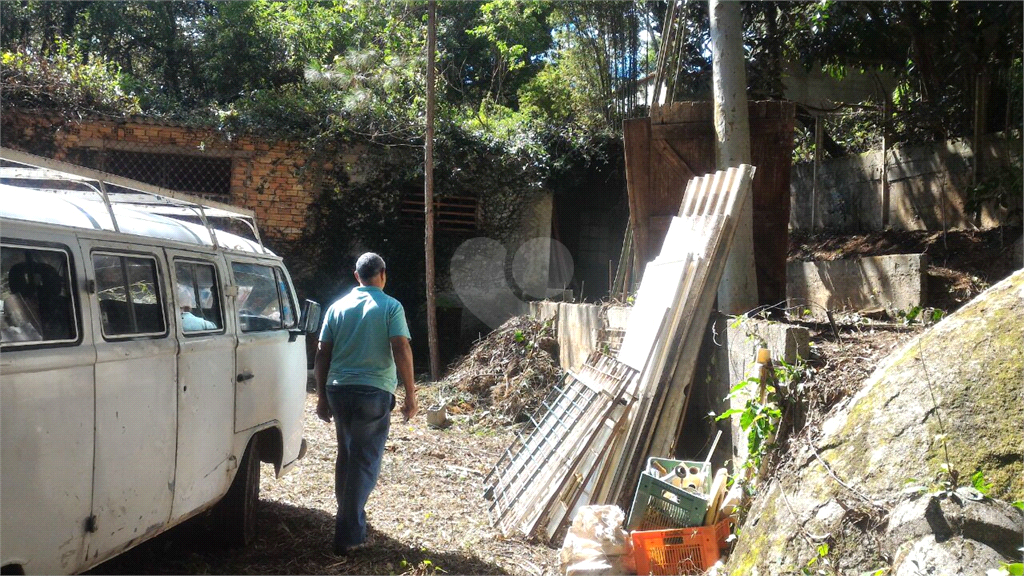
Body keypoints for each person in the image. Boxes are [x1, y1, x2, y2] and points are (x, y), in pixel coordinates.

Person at [314, 252, 418, 555]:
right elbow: (401, 347)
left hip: (338, 390)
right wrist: (411, 395)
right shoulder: (390, 307)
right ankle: (350, 534)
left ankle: (350, 518)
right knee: (365, 461)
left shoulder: (337, 307)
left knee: (347, 456)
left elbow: (322, 353)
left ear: (356, 276)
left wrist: (322, 395)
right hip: (373, 393)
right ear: (383, 274)